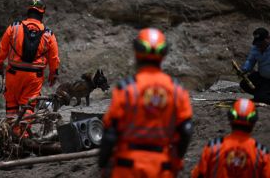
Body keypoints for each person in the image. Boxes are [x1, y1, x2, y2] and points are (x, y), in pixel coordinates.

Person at [98, 28, 193, 177]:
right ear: (164, 54)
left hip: (127, 166)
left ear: (136, 52)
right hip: (162, 167)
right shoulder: (177, 90)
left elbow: (110, 133)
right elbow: (186, 130)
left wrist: (102, 163)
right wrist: (176, 159)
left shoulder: (126, 89)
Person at [0, 0, 60, 137]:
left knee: (11, 104)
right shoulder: (49, 34)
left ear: (28, 12)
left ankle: (11, 133)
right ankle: (23, 135)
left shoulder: (14, 27)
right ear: (42, 14)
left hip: (13, 74)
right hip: (34, 77)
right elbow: (54, 58)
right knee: (28, 106)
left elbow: (2, 49)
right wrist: (53, 74)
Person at [191, 98, 270, 178]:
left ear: (230, 118)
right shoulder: (261, 153)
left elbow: (198, 174)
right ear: (254, 121)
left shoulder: (213, 148)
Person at [240, 27, 270, 104]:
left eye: (261, 42)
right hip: (262, 77)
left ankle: (262, 94)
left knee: (261, 97)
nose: (259, 45)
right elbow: (250, 61)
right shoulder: (255, 48)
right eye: (257, 42)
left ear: (268, 39)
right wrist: (245, 69)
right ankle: (262, 93)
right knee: (244, 84)